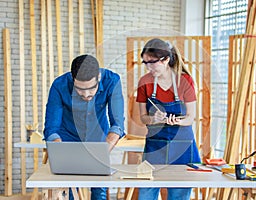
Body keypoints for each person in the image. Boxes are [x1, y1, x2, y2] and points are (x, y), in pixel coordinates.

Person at [43, 54, 125, 200]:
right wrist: (61, 153)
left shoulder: (112, 81)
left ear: (98, 77)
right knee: (69, 189)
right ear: (72, 79)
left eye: (91, 88)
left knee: (99, 189)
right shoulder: (59, 85)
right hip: (67, 139)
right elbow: (51, 129)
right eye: (80, 89)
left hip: (99, 139)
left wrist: (102, 152)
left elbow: (117, 124)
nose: (86, 94)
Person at [136, 38, 201, 200]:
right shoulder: (144, 82)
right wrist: (154, 119)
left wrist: (177, 121)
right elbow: (143, 118)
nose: (148, 67)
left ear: (165, 59)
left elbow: (190, 118)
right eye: (145, 63)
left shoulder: (185, 81)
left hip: (182, 146)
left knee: (178, 195)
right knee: (146, 194)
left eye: (152, 62)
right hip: (155, 146)